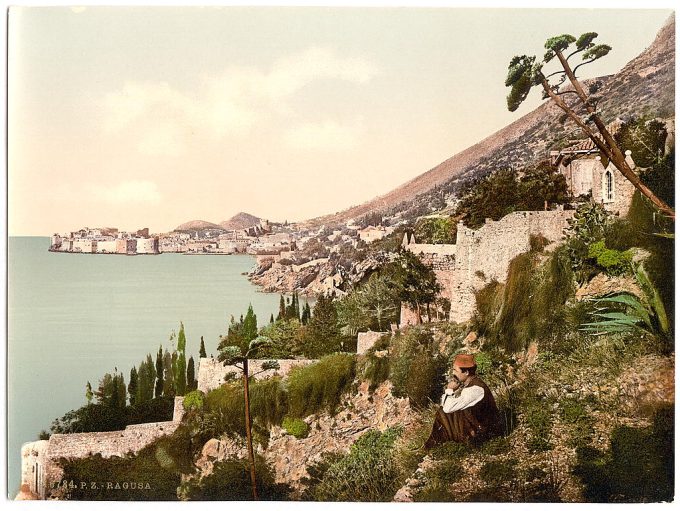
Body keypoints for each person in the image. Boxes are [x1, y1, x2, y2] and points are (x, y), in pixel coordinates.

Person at [424, 353, 502, 449]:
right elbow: (446, 406)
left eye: (455, 370)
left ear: (466, 373)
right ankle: (433, 445)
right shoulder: (471, 384)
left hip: (487, 432)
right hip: (478, 426)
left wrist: (449, 390)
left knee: (443, 413)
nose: (453, 373)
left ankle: (433, 447)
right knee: (444, 413)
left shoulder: (475, 389)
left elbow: (447, 408)